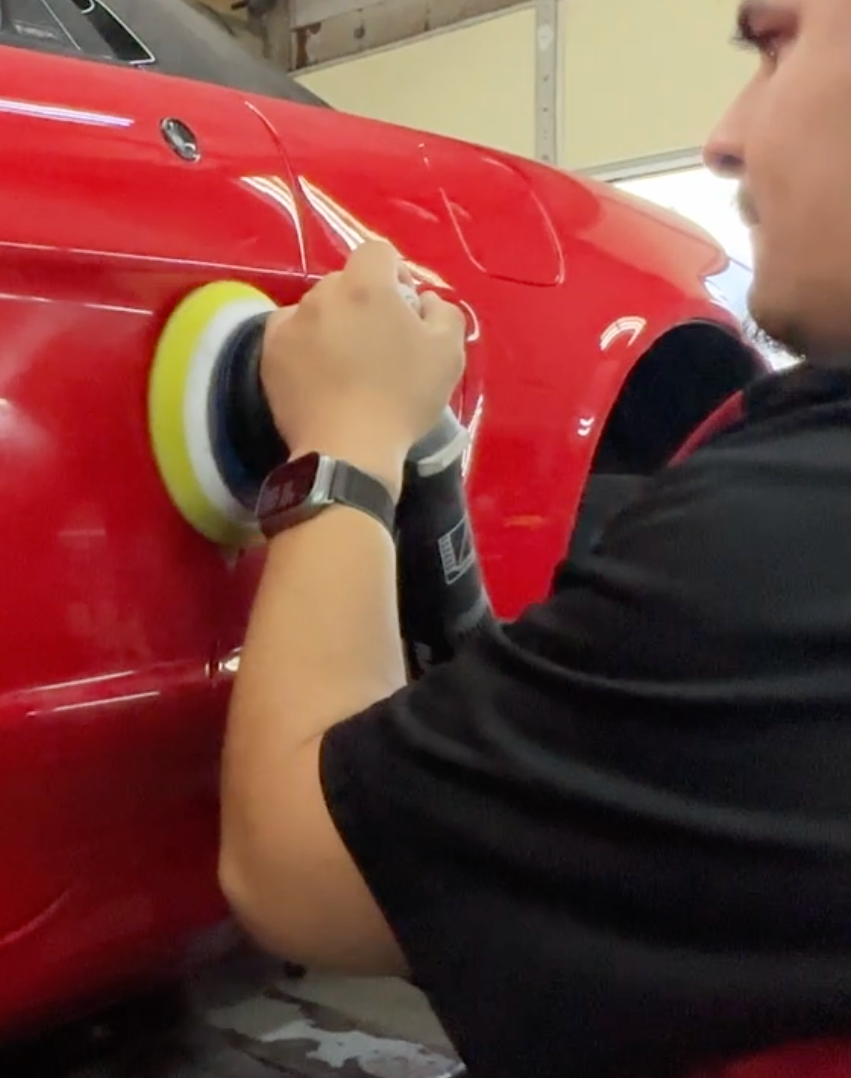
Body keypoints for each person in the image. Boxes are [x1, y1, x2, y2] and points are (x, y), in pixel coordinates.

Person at [216, 2, 851, 1077]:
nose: (723, 137)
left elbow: (296, 870)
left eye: (776, 45)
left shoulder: (790, 543)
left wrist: (346, 442)